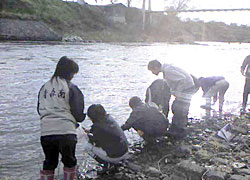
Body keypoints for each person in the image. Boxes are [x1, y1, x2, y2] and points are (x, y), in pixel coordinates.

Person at [37, 56, 86, 180]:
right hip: (66, 131)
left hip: (46, 132)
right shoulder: (72, 88)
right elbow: (78, 114)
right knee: (69, 162)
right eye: (73, 74)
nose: (73, 76)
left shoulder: (44, 88)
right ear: (69, 73)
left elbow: (39, 110)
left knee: (49, 163)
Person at [147, 60, 199, 140]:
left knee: (179, 109)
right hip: (187, 88)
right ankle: (176, 128)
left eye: (152, 70)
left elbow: (182, 79)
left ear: (156, 67)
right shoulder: (167, 69)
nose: (153, 73)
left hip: (186, 89)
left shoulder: (168, 71)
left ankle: (179, 131)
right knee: (177, 108)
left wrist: (178, 92)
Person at [85, 104, 129, 175]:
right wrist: (90, 131)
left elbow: (96, 143)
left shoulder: (97, 127)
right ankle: (119, 162)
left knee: (86, 146)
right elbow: (106, 133)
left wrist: (86, 135)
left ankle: (107, 164)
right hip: (125, 151)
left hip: (116, 156)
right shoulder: (109, 118)